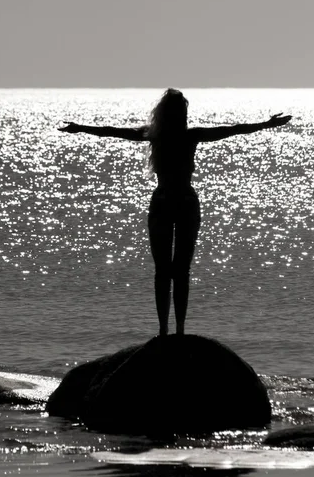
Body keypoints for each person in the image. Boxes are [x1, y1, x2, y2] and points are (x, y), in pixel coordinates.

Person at [59, 89, 291, 336]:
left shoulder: (155, 136)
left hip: (163, 202)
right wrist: (267, 125)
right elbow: (233, 129)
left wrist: (80, 127)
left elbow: (111, 131)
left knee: (164, 271)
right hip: (185, 202)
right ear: (182, 114)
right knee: (180, 270)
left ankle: (164, 330)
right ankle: (177, 330)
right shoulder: (189, 136)